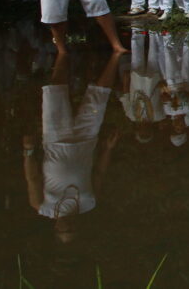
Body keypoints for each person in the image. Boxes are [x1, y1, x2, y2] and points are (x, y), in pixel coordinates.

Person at [23, 50, 121, 243]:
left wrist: (28, 151)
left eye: (65, 231)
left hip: (55, 140)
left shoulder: (42, 207)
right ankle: (116, 53)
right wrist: (108, 149)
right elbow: (99, 173)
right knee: (99, 96)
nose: (68, 227)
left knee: (55, 89)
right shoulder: (89, 203)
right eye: (72, 230)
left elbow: (32, 178)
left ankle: (62, 51)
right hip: (86, 140)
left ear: (56, 228)